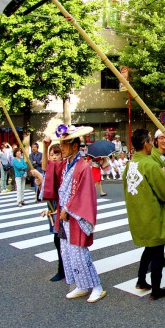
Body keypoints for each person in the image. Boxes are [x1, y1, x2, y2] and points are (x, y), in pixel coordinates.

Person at [42, 126, 106, 303]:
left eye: (65, 144)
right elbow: (48, 169)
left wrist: (67, 209)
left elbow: (83, 194)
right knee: (68, 252)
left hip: (75, 216)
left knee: (80, 253)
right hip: (64, 217)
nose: (61, 147)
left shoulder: (82, 166)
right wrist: (45, 146)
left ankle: (97, 287)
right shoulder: (65, 164)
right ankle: (81, 284)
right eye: (60, 143)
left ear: (75, 146)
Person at [124, 129, 165, 300]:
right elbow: (163, 192)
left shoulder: (130, 164)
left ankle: (141, 280)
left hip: (138, 212)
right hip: (152, 212)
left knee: (149, 248)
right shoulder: (150, 164)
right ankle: (156, 289)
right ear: (146, 143)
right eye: (150, 141)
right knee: (157, 251)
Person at [33, 144, 65, 283]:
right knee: (58, 241)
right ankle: (63, 269)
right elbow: (45, 194)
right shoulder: (50, 172)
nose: (54, 157)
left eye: (56, 154)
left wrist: (41, 177)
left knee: (63, 241)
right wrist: (40, 183)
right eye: (51, 154)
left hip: (62, 211)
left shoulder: (64, 170)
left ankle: (65, 269)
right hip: (53, 211)